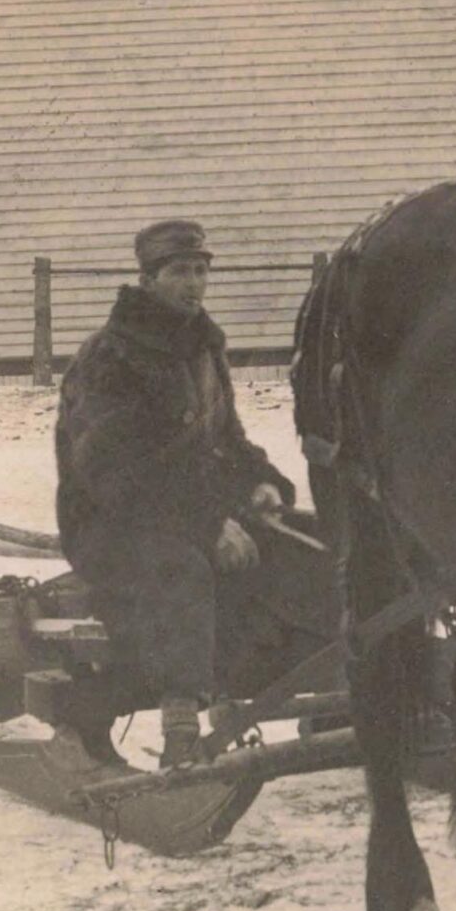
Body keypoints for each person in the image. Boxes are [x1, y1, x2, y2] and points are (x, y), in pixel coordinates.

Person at [54, 219, 294, 760]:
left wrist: (260, 481)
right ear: (148, 279)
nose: (194, 283)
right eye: (179, 271)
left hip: (187, 509)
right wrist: (208, 526)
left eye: (202, 270)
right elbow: (115, 475)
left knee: (302, 544)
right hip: (109, 524)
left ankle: (329, 697)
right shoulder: (111, 357)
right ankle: (181, 731)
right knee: (183, 569)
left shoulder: (203, 348)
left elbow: (226, 440)